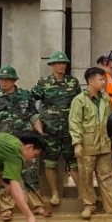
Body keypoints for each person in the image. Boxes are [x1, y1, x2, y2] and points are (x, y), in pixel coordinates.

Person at [0, 65, 49, 220]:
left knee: (30, 174)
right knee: (5, 174)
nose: (3, 82)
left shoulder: (25, 96)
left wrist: (39, 135)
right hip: (4, 143)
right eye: (1, 79)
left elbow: (33, 116)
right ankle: (6, 208)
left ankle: (37, 205)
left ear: (14, 80)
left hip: (25, 143)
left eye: (6, 79)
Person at [69, 67, 112, 220]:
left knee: (106, 176)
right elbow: (74, 123)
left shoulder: (105, 99)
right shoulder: (79, 100)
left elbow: (110, 121)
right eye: (100, 79)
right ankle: (89, 205)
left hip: (104, 144)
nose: (103, 82)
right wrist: (77, 143)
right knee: (86, 176)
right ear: (90, 81)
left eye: (104, 79)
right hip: (87, 145)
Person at [30, 50, 80, 207]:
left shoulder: (73, 82)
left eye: (64, 63)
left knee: (73, 163)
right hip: (50, 130)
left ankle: (83, 194)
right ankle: (54, 193)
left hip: (69, 130)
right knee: (50, 163)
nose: (61, 66)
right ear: (52, 65)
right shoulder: (43, 83)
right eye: (58, 63)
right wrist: (37, 121)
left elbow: (80, 103)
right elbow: (30, 101)